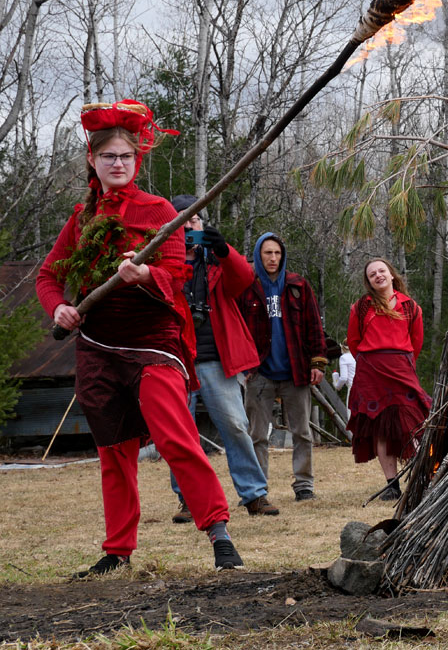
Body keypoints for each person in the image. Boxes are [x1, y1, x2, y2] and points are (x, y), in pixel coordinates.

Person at [36, 99, 243, 576]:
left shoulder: (160, 212)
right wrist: (60, 308)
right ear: (93, 160)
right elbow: (49, 277)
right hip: (99, 347)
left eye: (125, 157)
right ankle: (117, 551)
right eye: (108, 156)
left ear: (136, 160)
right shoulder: (81, 218)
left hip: (153, 342)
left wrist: (145, 272)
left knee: (175, 437)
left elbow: (177, 272)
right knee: (114, 449)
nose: (117, 164)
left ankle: (219, 534)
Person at [167, 195, 279, 523]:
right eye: (181, 220)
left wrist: (224, 250)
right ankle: (188, 500)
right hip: (175, 359)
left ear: (203, 225)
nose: (189, 226)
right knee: (180, 434)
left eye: (195, 220)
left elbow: (244, 280)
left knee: (236, 426)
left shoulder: (217, 260)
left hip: (217, 358)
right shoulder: (161, 262)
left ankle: (254, 495)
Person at [239, 232, 327, 501]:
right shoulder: (246, 287)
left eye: (277, 253)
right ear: (258, 255)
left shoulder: (297, 285)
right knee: (256, 435)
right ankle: (257, 490)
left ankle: (304, 486)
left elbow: (314, 325)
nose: (273, 258)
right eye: (267, 253)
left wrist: (318, 362)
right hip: (259, 372)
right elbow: (237, 327)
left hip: (295, 371)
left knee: (302, 431)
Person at [345, 258, 430, 501]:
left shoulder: (411, 307)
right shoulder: (360, 308)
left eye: (382, 271)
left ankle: (420, 478)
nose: (378, 275)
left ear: (391, 275)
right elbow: (354, 342)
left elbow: (416, 343)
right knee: (381, 430)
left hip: (402, 371)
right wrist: (372, 362)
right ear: (369, 281)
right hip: (371, 375)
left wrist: (400, 363)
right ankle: (391, 485)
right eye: (372, 274)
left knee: (412, 423)